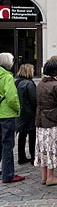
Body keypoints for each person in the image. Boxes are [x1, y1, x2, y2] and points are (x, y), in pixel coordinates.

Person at [34, 58, 57, 186]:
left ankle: (44, 175)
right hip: (53, 119)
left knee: (43, 148)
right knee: (52, 147)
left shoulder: (40, 84)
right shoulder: (56, 85)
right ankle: (50, 176)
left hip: (40, 120)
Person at [0, 52, 25, 183]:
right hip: (7, 114)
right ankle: (8, 174)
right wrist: (18, 109)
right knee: (7, 145)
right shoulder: (7, 77)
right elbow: (11, 97)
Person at [15, 64, 37, 165]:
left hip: (19, 113)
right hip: (29, 113)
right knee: (32, 135)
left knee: (22, 135)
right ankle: (33, 157)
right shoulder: (29, 84)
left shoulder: (17, 82)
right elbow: (33, 99)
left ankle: (21, 157)